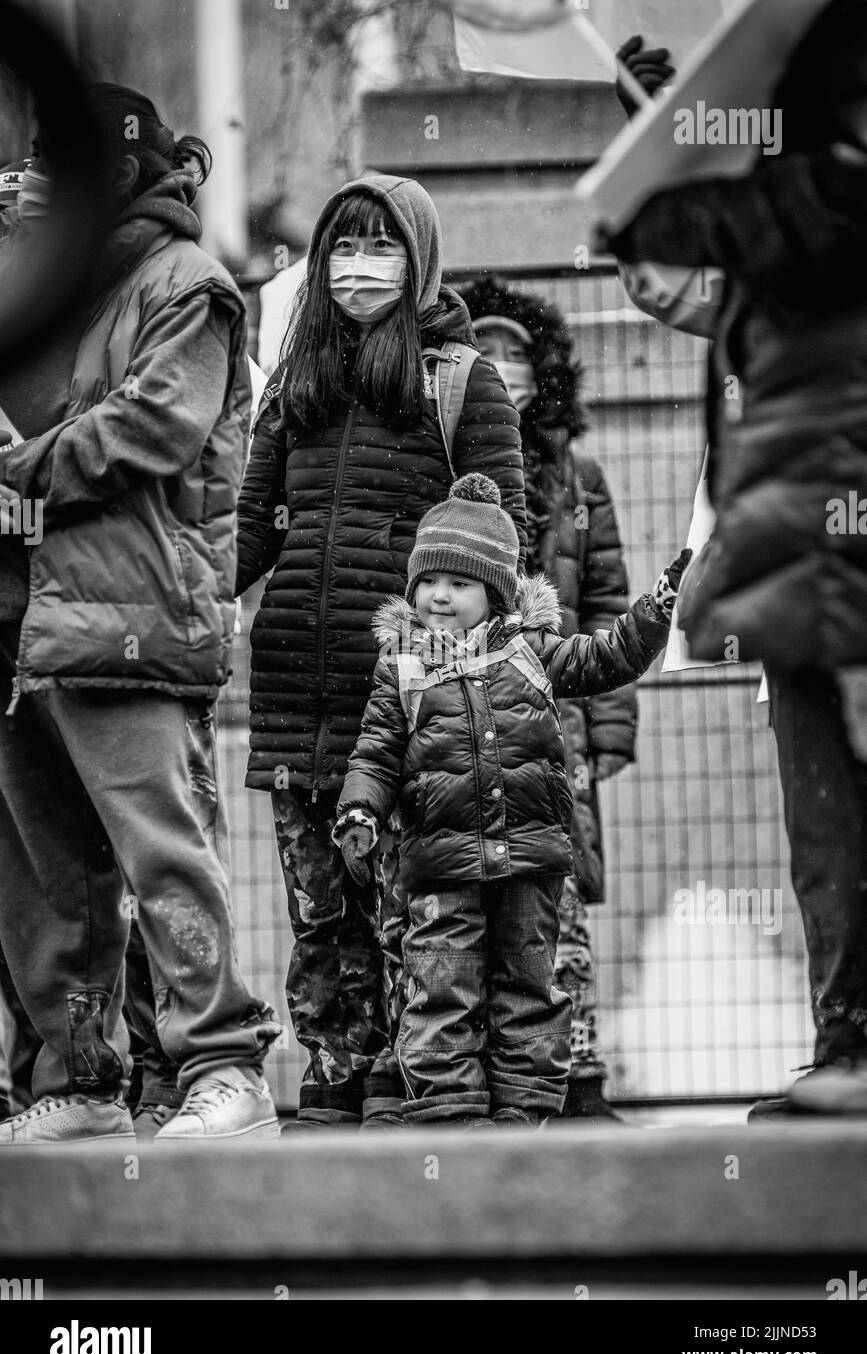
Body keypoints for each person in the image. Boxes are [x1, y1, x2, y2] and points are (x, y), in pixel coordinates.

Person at [0, 84, 281, 1146]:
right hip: (23, 619)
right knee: (44, 874)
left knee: (162, 853)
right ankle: (75, 1081)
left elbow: (152, 430)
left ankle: (225, 1066)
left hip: (133, 611)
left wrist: (15, 473)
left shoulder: (186, 283)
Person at [602, 2, 867, 1117]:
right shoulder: (779, 206)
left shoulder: (816, 192)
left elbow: (811, 214)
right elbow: (671, 267)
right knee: (828, 822)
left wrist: (703, 154)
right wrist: (664, 137)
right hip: (805, 552)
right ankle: (850, 1043)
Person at [235, 174, 527, 1127]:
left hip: (411, 702)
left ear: (420, 258)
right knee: (321, 913)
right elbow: (248, 527)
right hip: (290, 687)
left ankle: (415, 1086)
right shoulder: (296, 378)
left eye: (381, 248)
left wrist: (450, 660)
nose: (357, 270)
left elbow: (503, 540)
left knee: (416, 908)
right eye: (342, 250)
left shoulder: (461, 379)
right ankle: (333, 1077)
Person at [332, 473, 689, 1125]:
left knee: (527, 987)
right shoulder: (401, 670)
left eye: (460, 583)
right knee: (441, 986)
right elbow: (374, 754)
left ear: (494, 595)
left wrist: (654, 610)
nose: (440, 595)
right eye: (429, 581)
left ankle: (524, 1110)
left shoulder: (532, 653)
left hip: (530, 860)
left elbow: (606, 657)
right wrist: (359, 810)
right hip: (440, 867)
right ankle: (448, 1110)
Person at [460, 275, 636, 1121]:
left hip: (559, 716)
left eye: (516, 352)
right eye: (483, 348)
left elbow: (608, 601)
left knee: (558, 890)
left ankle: (576, 1076)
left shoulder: (577, 473)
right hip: (462, 711)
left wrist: (609, 724)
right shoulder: (448, 457)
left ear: (546, 369)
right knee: (468, 893)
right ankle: (487, 1081)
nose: (500, 365)